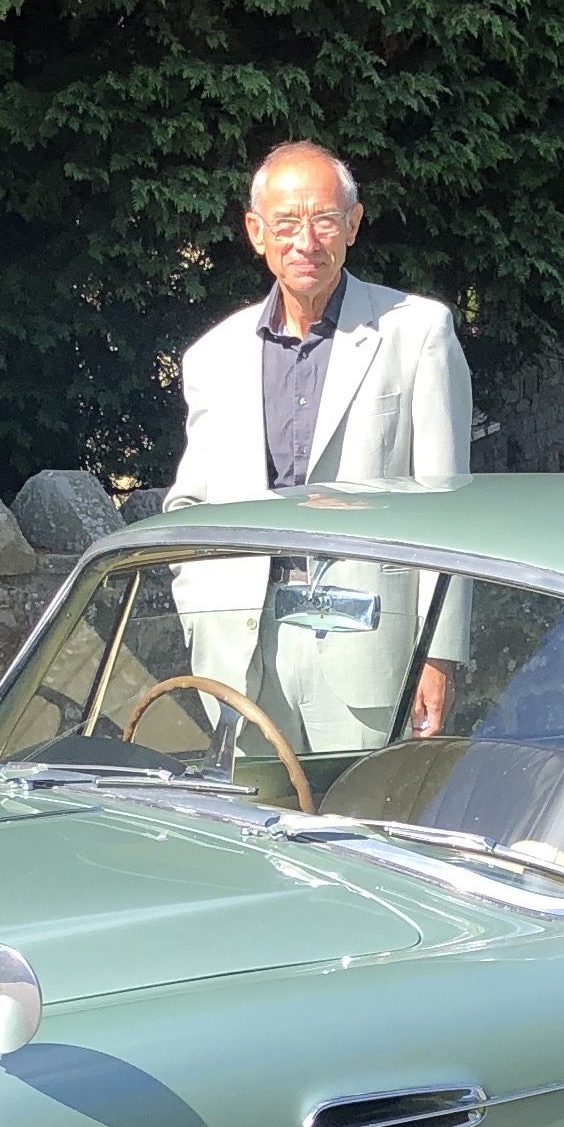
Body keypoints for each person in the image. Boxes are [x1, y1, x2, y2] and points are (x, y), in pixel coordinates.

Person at [165, 142, 474, 736]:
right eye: (285, 223)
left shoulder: (417, 333)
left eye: (324, 220)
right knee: (251, 800)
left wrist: (438, 653)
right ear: (256, 233)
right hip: (242, 657)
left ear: (352, 225)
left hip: (374, 651)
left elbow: (450, 507)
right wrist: (201, 615)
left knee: (369, 799)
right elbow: (190, 506)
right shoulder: (213, 356)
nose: (305, 241)